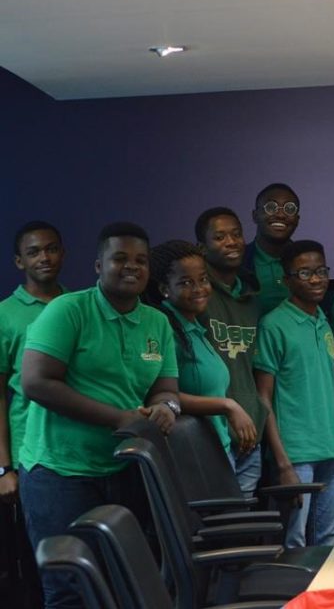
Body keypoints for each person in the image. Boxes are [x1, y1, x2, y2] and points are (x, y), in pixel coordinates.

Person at [18, 222, 180, 608]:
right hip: (60, 472)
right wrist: (119, 418)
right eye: (119, 258)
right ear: (97, 266)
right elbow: (36, 382)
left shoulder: (157, 322)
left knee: (121, 582)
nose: (132, 266)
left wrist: (166, 407)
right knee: (69, 588)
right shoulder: (68, 310)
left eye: (140, 260)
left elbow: (166, 388)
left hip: (124, 469)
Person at [255, 240, 334, 546]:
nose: (316, 279)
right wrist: (282, 463)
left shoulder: (323, 321)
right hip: (295, 455)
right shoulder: (274, 324)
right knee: (295, 542)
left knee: (329, 538)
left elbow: (327, 397)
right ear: (287, 280)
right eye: (305, 273)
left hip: (330, 451)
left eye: (321, 271)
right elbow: (263, 399)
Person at [144, 240, 256, 467]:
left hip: (219, 450)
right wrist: (227, 405)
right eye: (186, 282)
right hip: (194, 459)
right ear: (164, 289)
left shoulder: (194, 328)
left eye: (203, 279)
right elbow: (161, 394)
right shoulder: (166, 330)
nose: (198, 289)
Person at [0, 221, 65, 607]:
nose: (45, 257)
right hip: (31, 456)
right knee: (41, 564)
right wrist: (3, 468)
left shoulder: (79, 304)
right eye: (34, 251)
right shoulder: (5, 314)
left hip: (81, 452)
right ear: (19, 261)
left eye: (52, 248)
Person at [195, 207, 270, 495]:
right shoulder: (198, 297)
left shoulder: (253, 300)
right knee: (217, 516)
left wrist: (257, 416)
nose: (231, 242)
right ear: (203, 248)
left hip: (250, 435)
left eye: (236, 234)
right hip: (212, 435)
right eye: (220, 237)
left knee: (245, 517)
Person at [243, 183, 301, 314]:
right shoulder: (239, 262)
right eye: (271, 207)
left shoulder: (306, 262)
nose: (280, 215)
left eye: (289, 209)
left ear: (297, 220)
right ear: (255, 215)